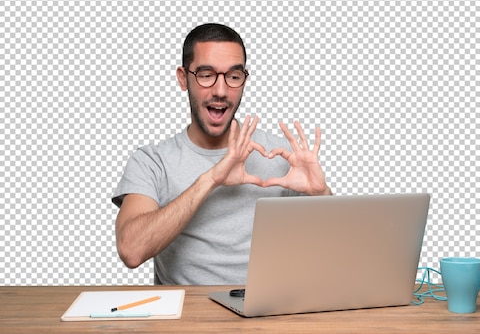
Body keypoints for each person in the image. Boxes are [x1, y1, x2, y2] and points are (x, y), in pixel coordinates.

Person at [112, 23, 332, 285]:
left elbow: (336, 254)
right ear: (184, 78)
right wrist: (212, 178)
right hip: (187, 318)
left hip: (266, 315)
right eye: (206, 75)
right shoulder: (151, 161)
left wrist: (321, 195)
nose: (221, 90)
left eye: (234, 76)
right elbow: (131, 251)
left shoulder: (280, 155)